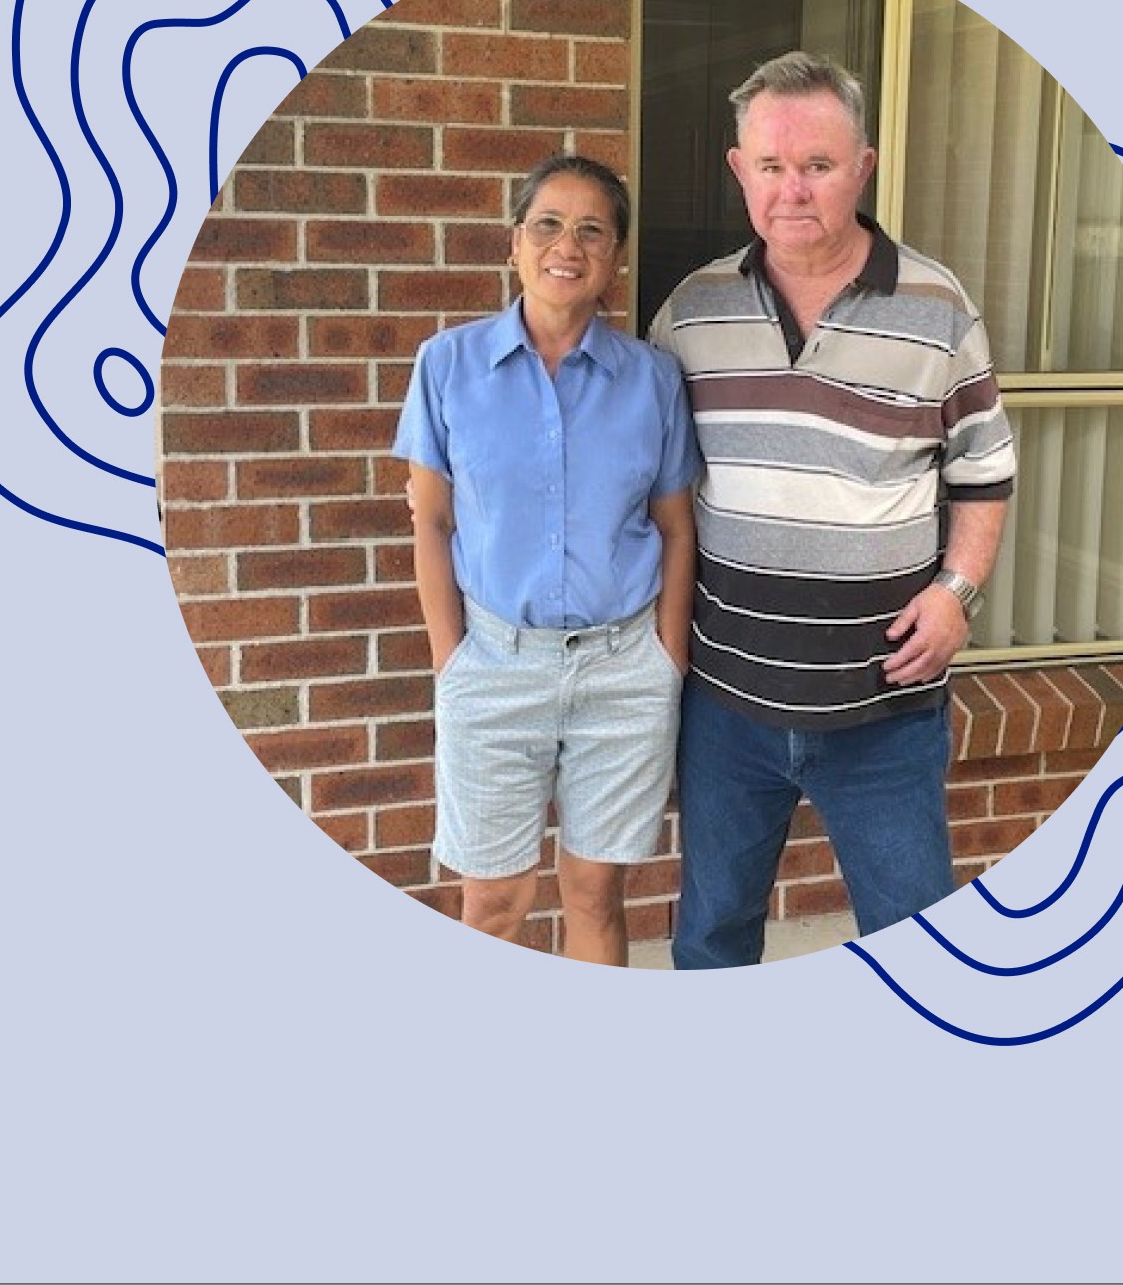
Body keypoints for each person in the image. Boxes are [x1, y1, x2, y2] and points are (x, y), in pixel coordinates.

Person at [648, 51, 1014, 969]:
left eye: (817, 164)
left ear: (864, 166)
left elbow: (984, 467)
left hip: (886, 706)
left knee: (915, 939)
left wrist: (957, 594)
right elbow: (649, 487)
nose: (793, 189)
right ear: (738, 171)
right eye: (769, 166)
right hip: (727, 704)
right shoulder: (691, 313)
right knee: (713, 935)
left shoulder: (938, 307)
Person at [393, 154, 699, 965]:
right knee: (493, 899)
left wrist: (668, 658)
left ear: (617, 258)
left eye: (594, 229)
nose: (569, 245)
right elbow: (430, 522)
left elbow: (675, 527)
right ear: (514, 243)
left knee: (595, 893)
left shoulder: (652, 380)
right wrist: (449, 658)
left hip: (622, 670)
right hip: (493, 663)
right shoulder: (447, 366)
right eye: (548, 225)